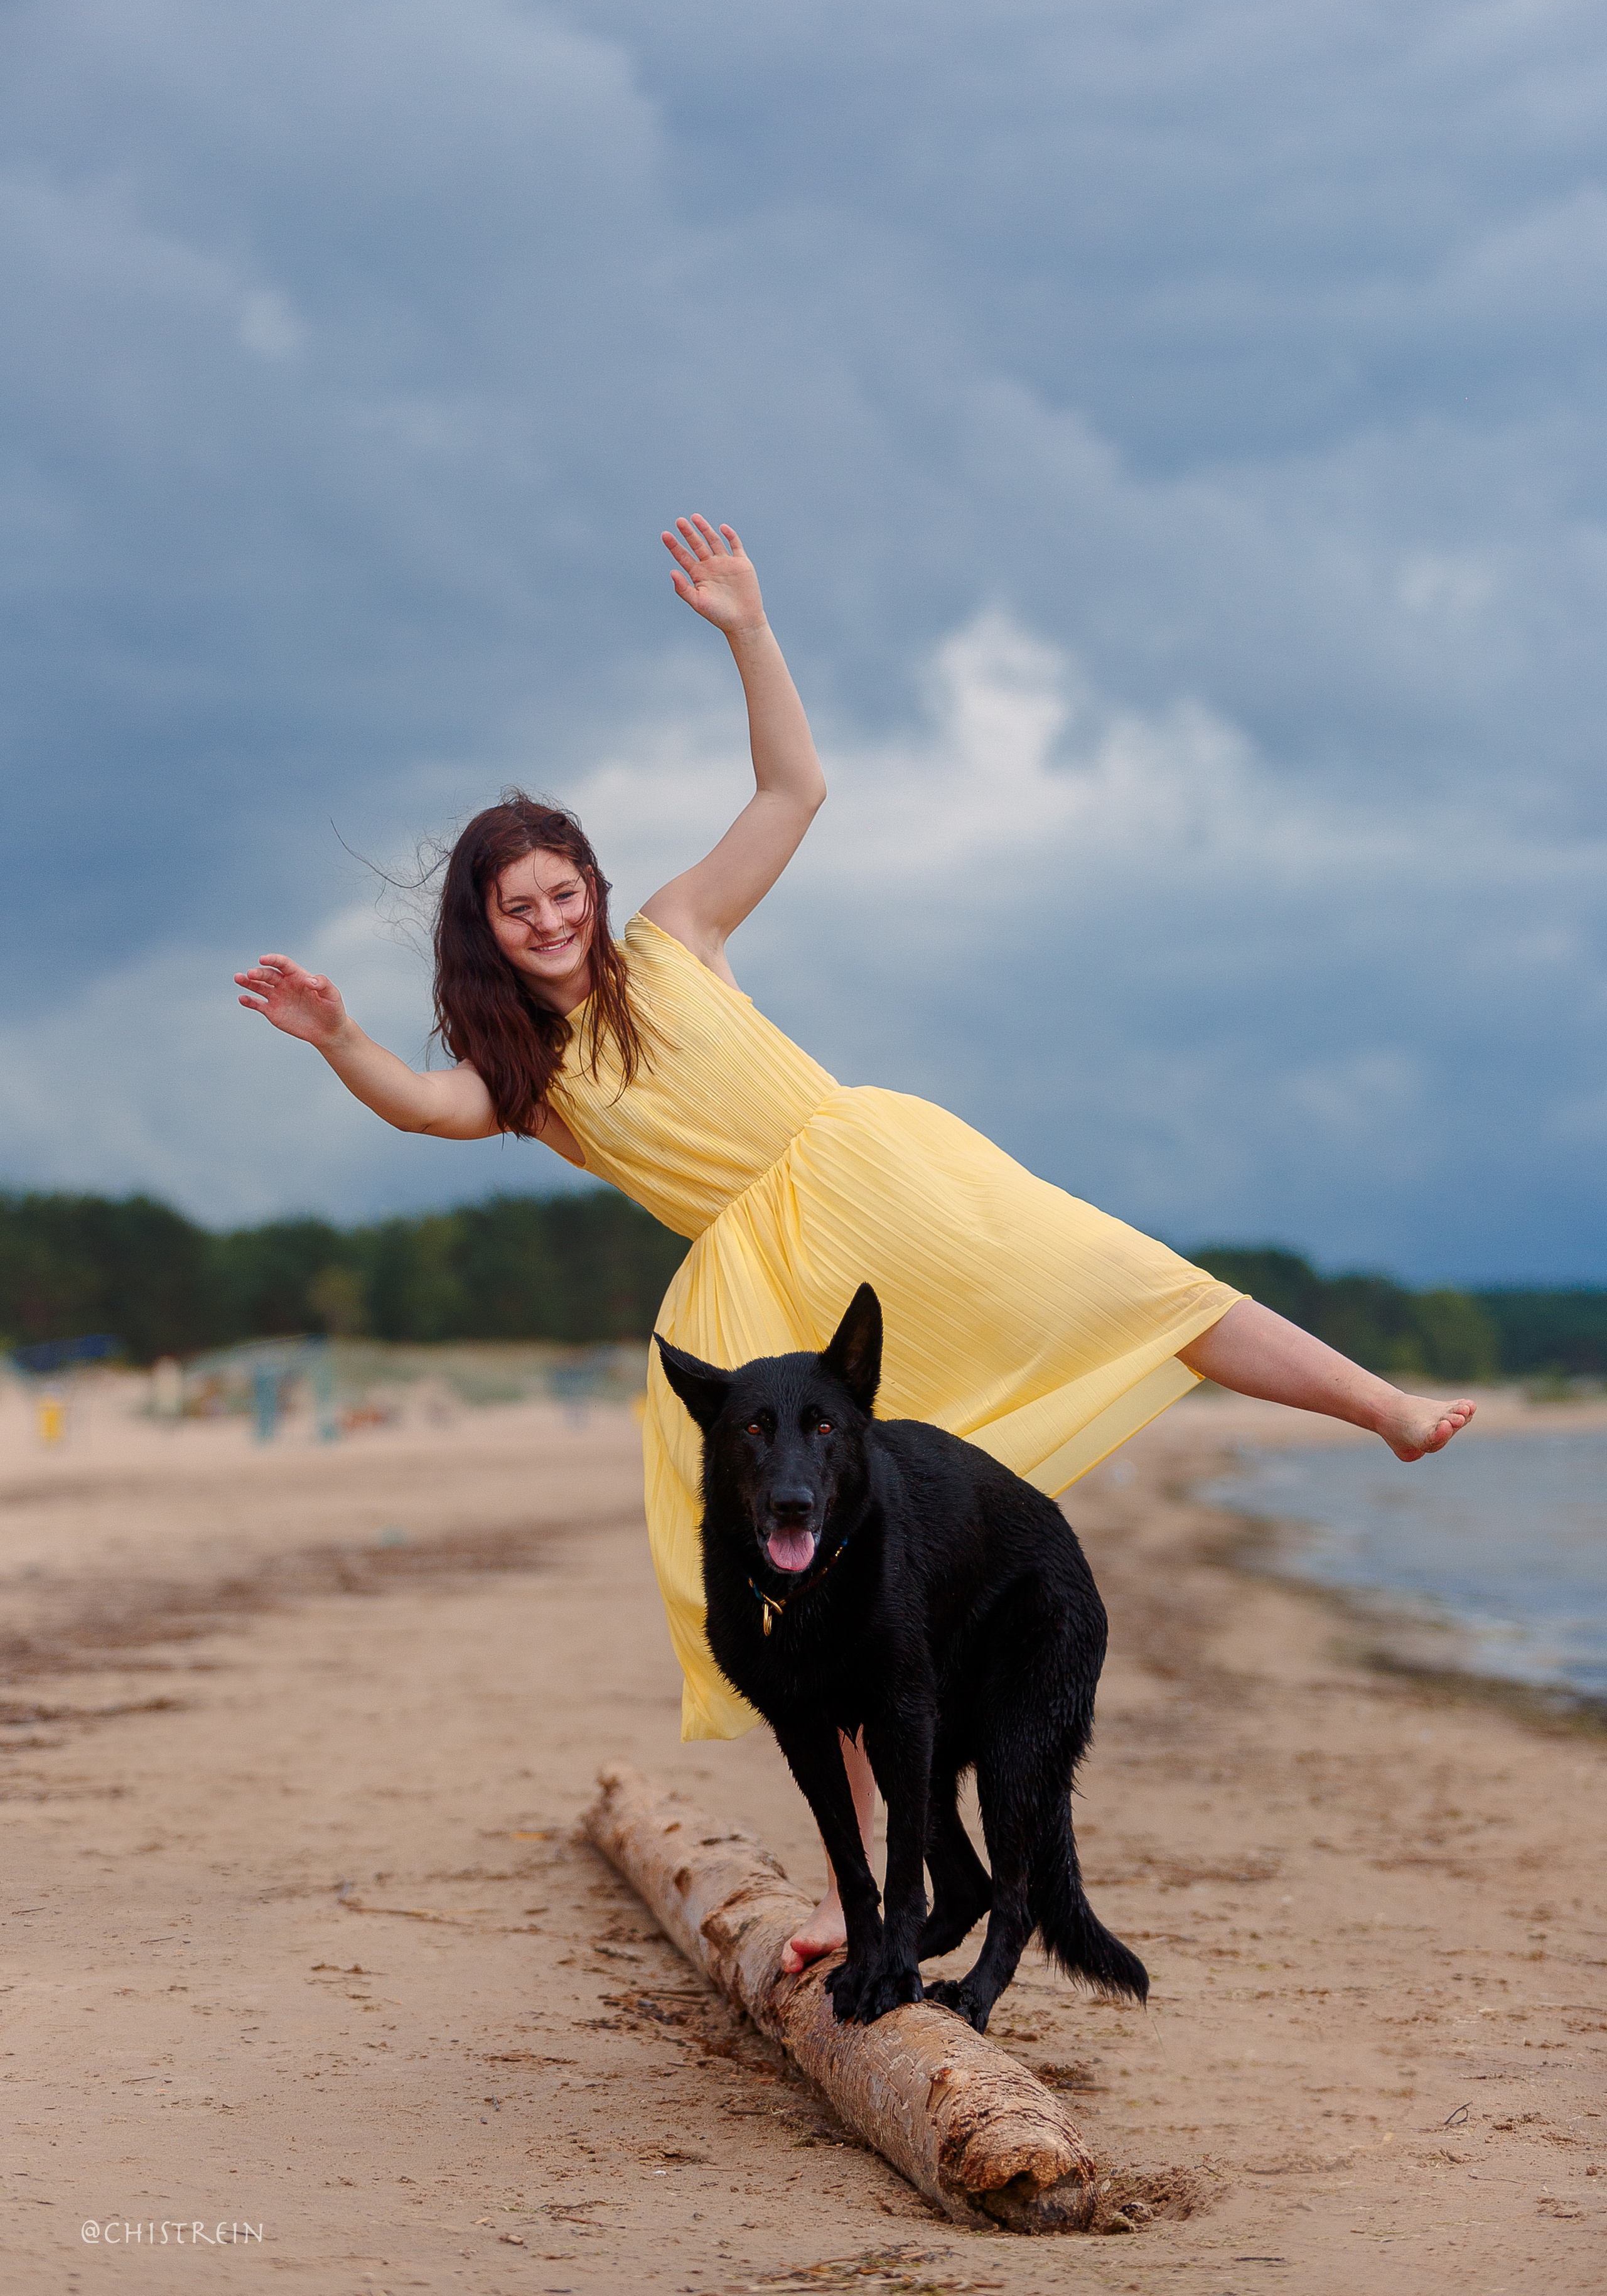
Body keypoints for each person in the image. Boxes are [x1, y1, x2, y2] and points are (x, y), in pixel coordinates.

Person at [237, 514, 1475, 1973]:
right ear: (486, 933)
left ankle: (1378, 1410)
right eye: (521, 911)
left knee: (1133, 1283)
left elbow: (792, 786)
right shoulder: (529, 1086)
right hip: (764, 1285)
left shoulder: (679, 936)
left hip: (878, 1178)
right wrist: (338, 1038)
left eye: (566, 893)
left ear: (596, 891)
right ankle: (870, 1892)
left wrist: (744, 628)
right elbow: (417, 1104)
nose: (552, 920)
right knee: (814, 1590)